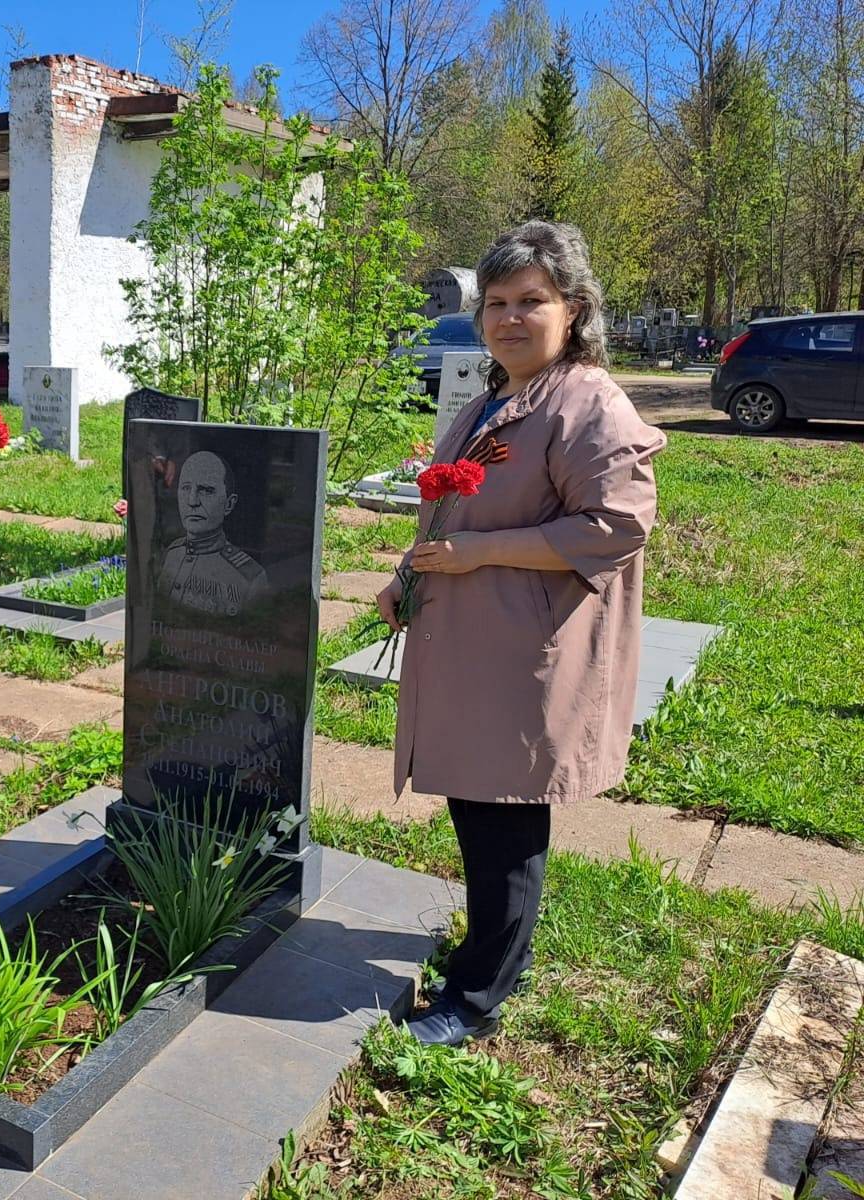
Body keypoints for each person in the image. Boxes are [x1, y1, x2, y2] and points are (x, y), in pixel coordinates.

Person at [379, 221, 666, 1047]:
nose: (510, 318)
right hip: (474, 645)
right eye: (496, 303)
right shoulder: (497, 398)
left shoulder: (589, 403)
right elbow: (454, 509)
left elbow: (617, 525)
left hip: (524, 652)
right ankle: (498, 952)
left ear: (573, 310)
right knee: (478, 806)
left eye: (530, 301)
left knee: (503, 816)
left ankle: (477, 998)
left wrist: (480, 554)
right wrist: (407, 576)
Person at [159, 450, 267, 616]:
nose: (192, 501)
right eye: (186, 488)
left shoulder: (249, 578)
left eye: (206, 490)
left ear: (229, 504)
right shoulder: (173, 553)